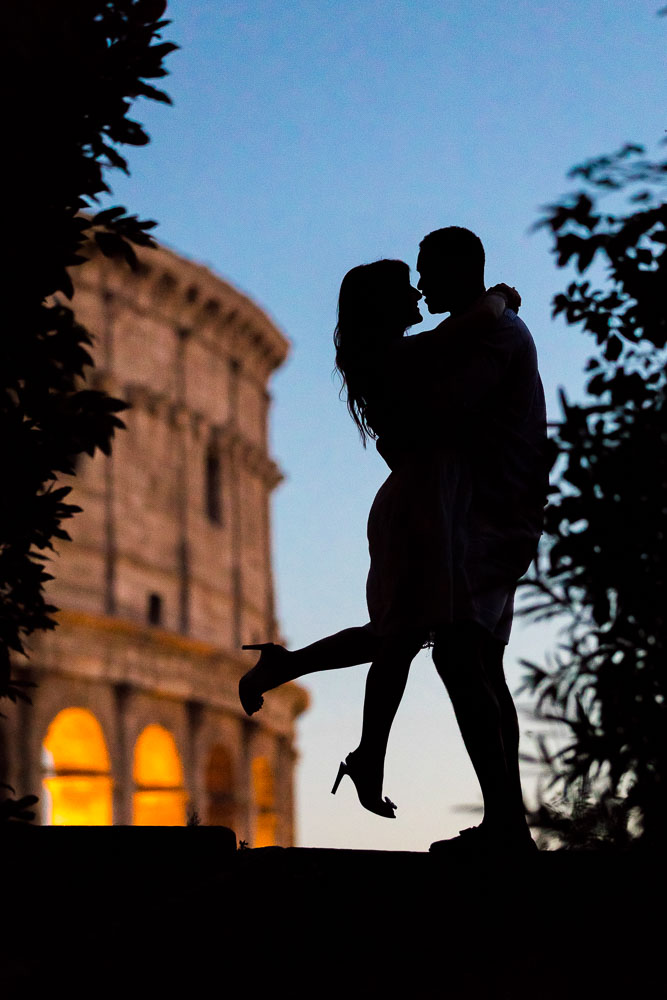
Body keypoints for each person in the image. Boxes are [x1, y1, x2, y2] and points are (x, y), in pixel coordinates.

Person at [241, 240, 536, 844]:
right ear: (383, 306)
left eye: (424, 275)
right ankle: (499, 820)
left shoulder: (431, 347)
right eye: (411, 281)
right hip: (434, 508)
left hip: (452, 508)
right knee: (428, 644)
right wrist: (499, 300)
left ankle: (352, 731)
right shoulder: (415, 352)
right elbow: (450, 401)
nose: (420, 289)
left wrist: (498, 307)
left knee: (418, 642)